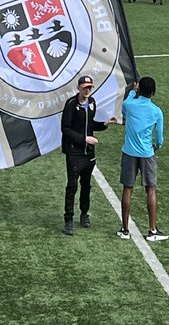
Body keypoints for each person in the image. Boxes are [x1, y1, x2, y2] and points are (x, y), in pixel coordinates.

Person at [61, 75, 117, 235]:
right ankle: (68, 219)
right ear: (78, 88)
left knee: (86, 185)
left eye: (89, 87)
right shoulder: (71, 104)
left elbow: (90, 125)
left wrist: (104, 124)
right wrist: (84, 139)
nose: (87, 90)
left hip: (88, 153)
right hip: (74, 152)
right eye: (84, 87)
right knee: (72, 186)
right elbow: (65, 129)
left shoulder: (92, 103)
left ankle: (84, 214)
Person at [118, 76, 166, 242]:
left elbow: (125, 107)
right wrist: (156, 146)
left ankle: (125, 229)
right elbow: (159, 139)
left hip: (129, 152)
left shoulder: (129, 105)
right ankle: (152, 230)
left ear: (139, 89)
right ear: (153, 92)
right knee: (151, 189)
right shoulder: (156, 111)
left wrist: (133, 92)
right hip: (147, 154)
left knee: (127, 188)